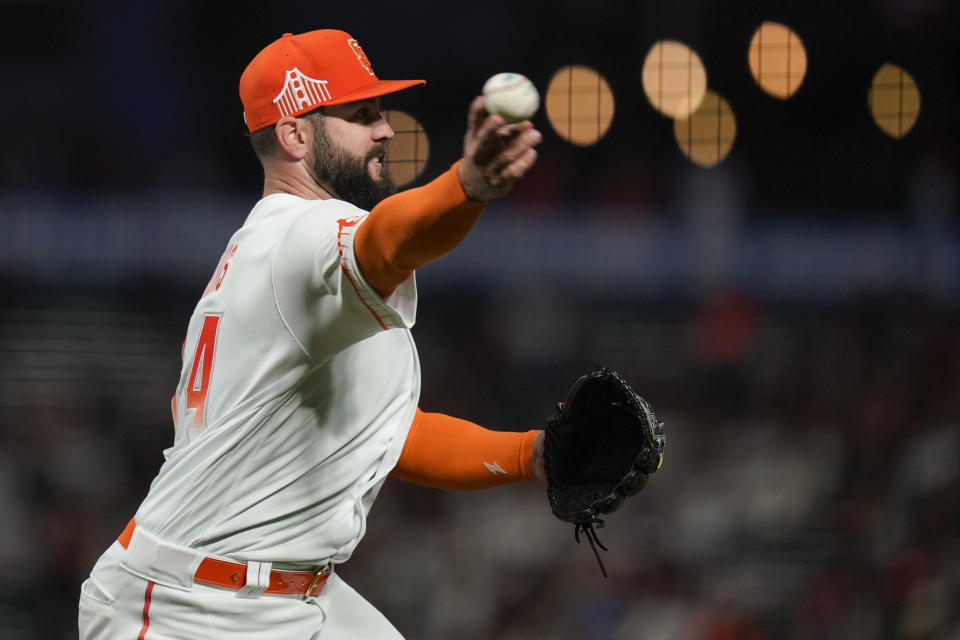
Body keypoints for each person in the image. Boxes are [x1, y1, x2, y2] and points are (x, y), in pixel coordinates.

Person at [78, 28, 544, 639]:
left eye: (379, 111)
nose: (385, 129)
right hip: (187, 610)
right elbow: (386, 242)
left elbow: (383, 432)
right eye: (360, 114)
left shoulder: (285, 255)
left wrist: (531, 454)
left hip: (292, 594)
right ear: (295, 133)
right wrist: (468, 185)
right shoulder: (301, 236)